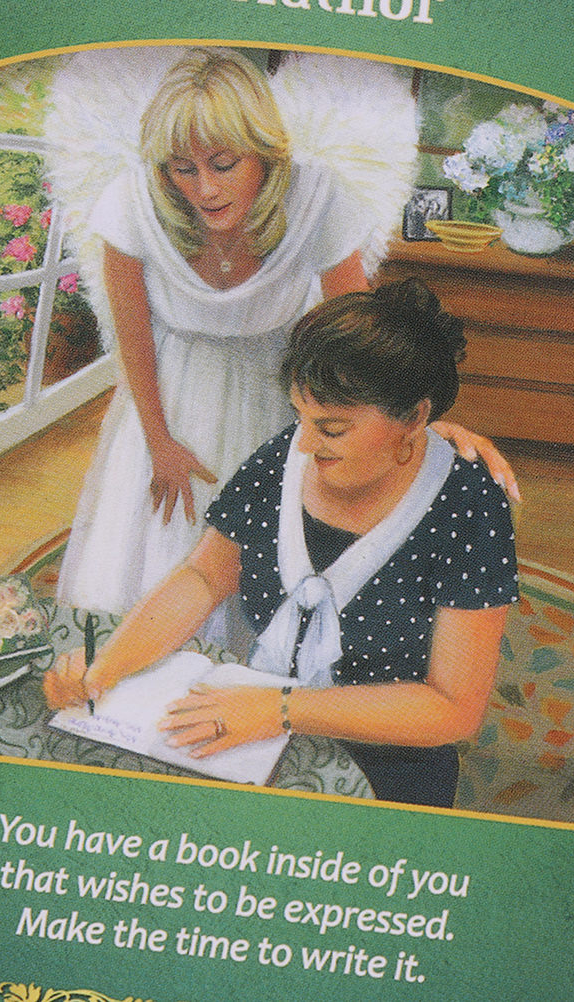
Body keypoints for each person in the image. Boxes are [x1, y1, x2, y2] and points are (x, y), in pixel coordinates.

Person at [45, 47, 518, 622]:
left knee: (275, 548)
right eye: (183, 168)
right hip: (169, 394)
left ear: (264, 153)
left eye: (223, 164)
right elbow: (134, 340)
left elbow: (358, 334)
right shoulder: (132, 202)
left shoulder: (317, 196)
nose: (204, 189)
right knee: (154, 549)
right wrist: (158, 441)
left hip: (282, 391)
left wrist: (410, 416)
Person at [45, 279, 518, 809]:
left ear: (413, 418)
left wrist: (280, 709)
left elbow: (454, 709)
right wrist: (107, 666)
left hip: (385, 760)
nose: (306, 443)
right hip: (247, 727)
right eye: (300, 417)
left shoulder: (468, 506)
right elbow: (204, 576)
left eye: (332, 429)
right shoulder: (284, 459)